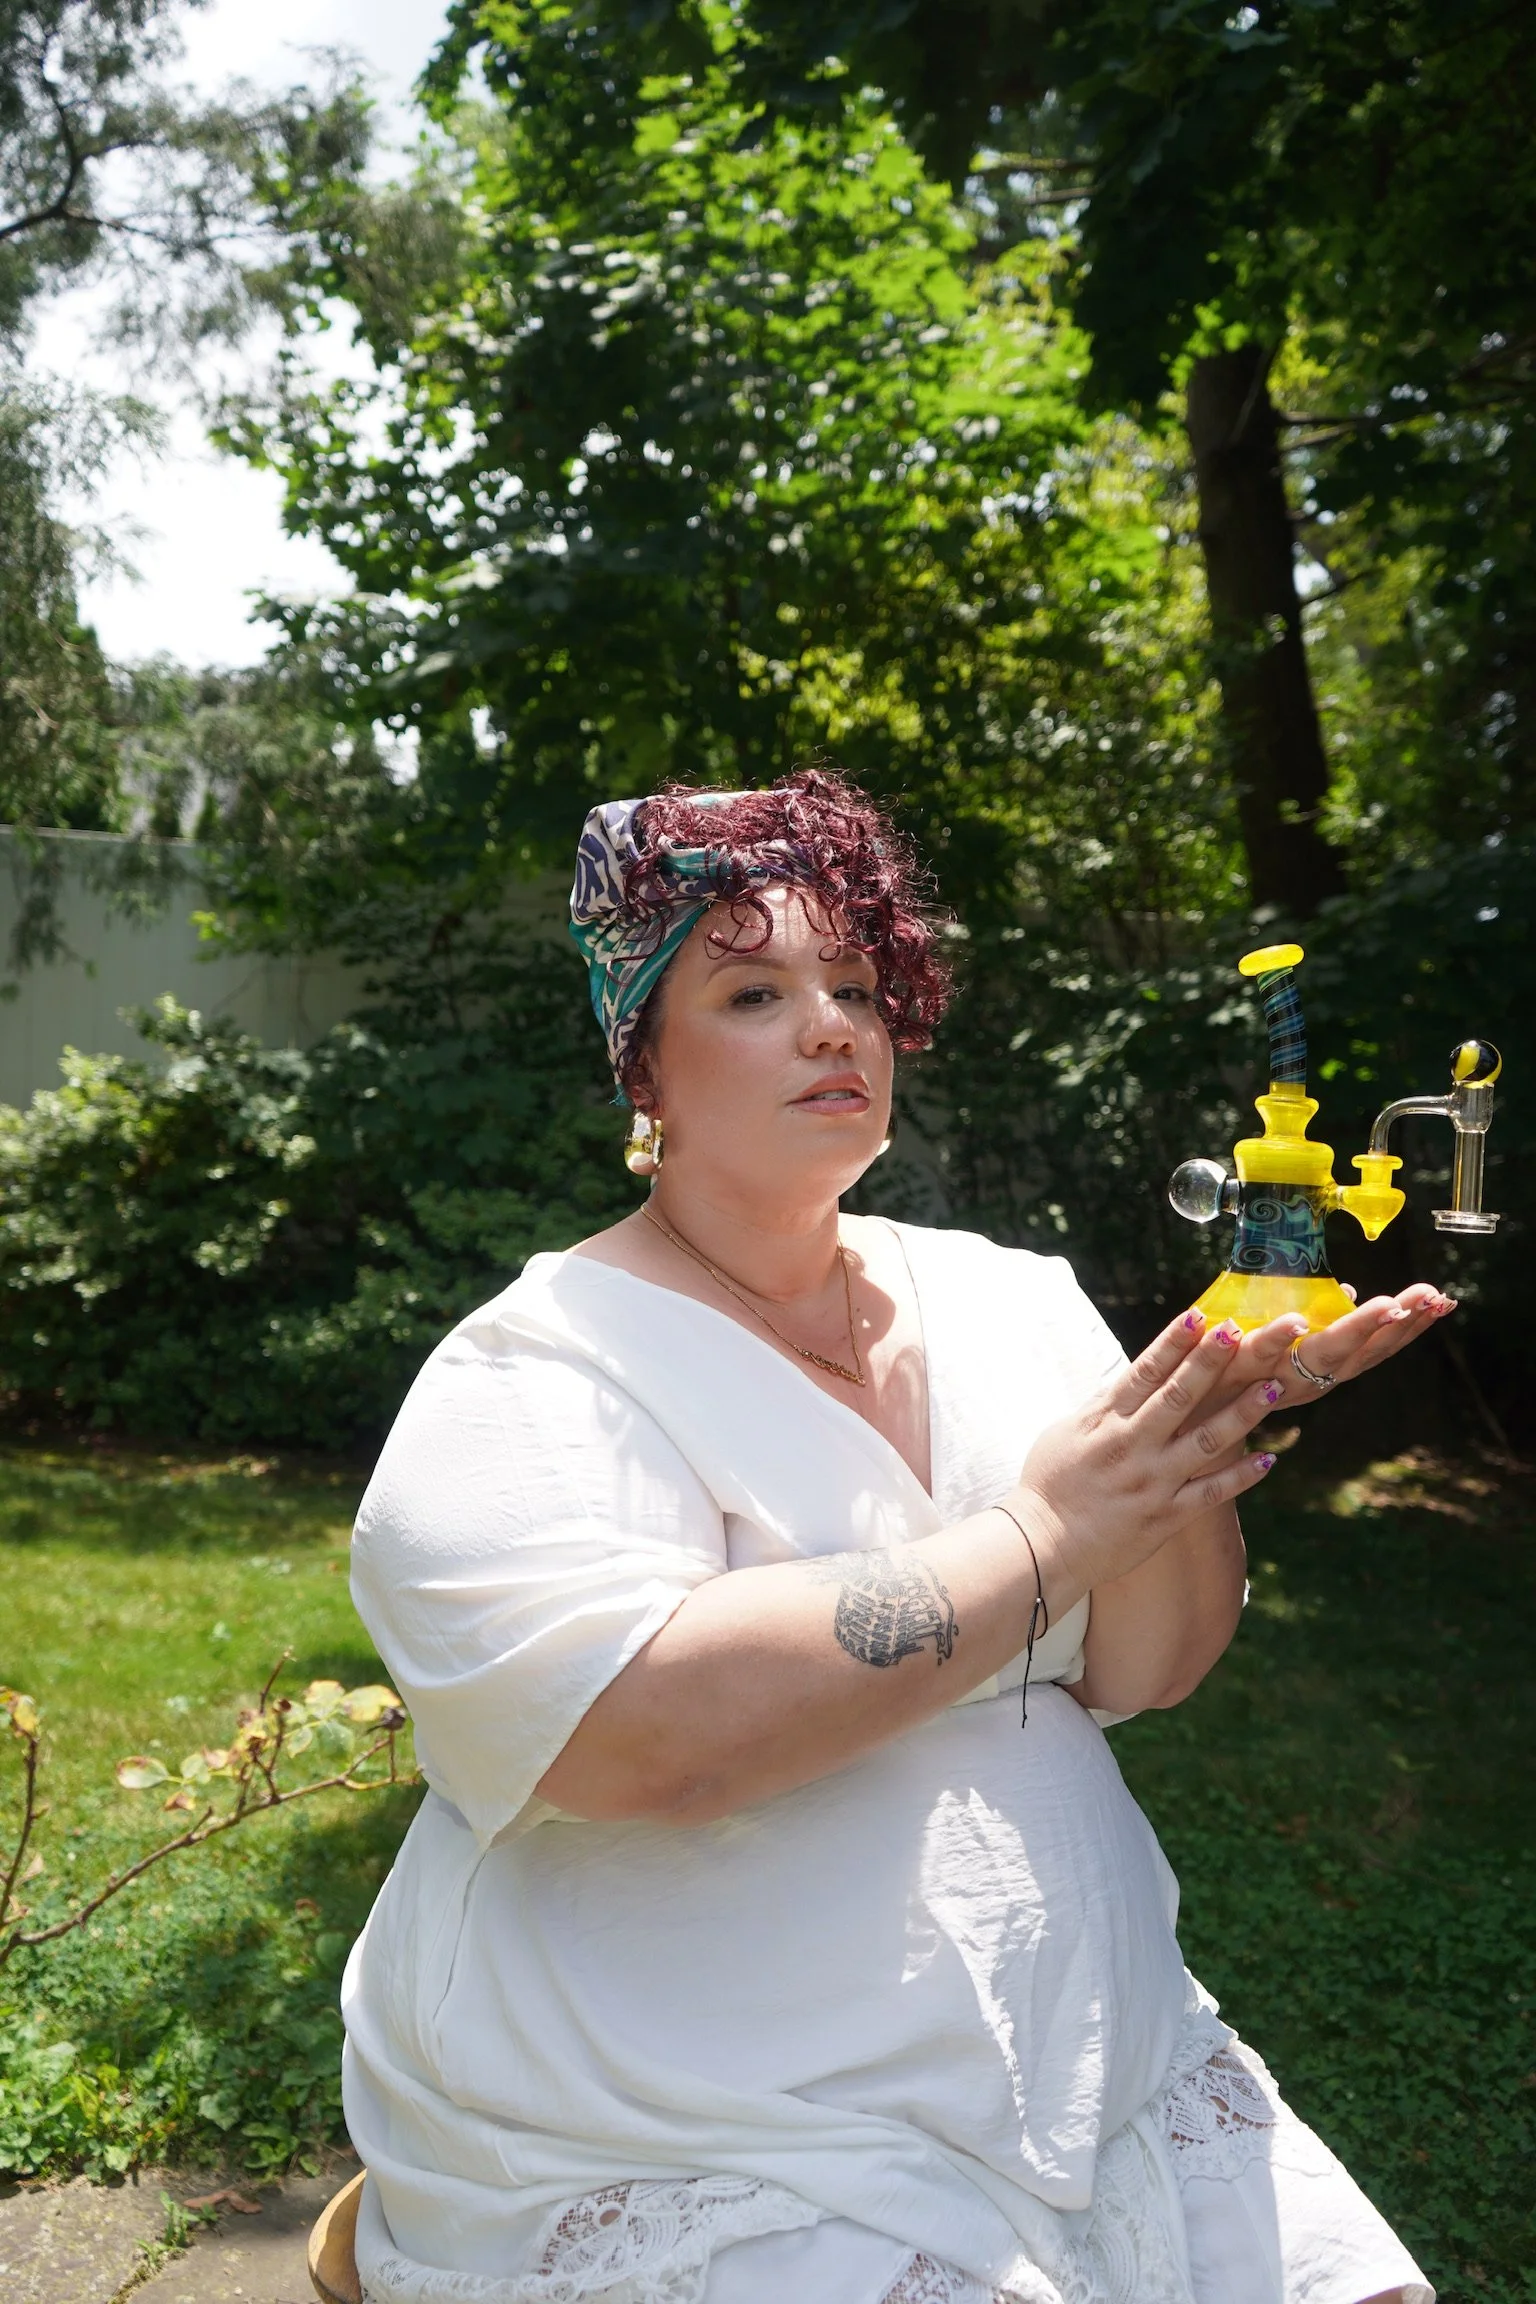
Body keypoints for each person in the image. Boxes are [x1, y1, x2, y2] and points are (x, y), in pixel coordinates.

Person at [342, 771, 1442, 2304]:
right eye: (752, 990)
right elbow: (639, 1735)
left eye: (855, 984)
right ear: (640, 1063)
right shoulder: (541, 1367)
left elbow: (1155, 1663)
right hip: (714, 2124)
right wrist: (1048, 1531)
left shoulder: (1013, 1296)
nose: (831, 1026)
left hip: (1103, 2070)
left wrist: (1194, 1439)